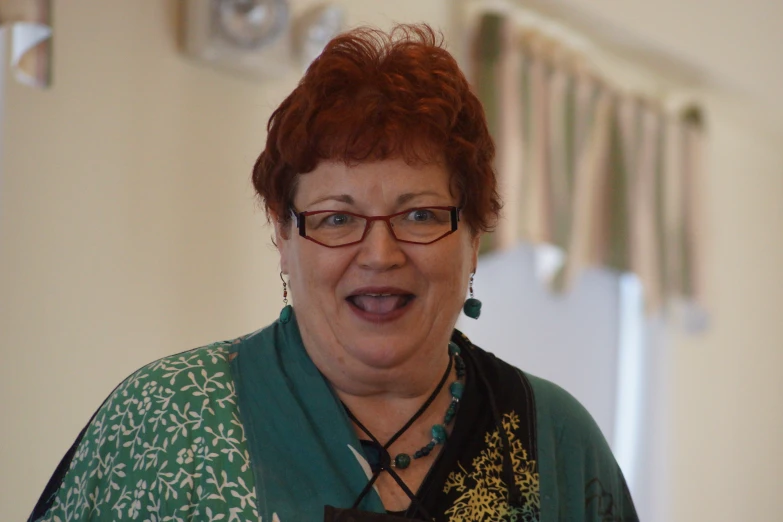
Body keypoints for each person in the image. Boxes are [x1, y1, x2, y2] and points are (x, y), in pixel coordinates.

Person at [29, 24, 638, 522]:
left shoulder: (555, 440)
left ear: (475, 235)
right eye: (337, 218)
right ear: (284, 236)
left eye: (420, 214)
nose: (379, 254)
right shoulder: (163, 421)